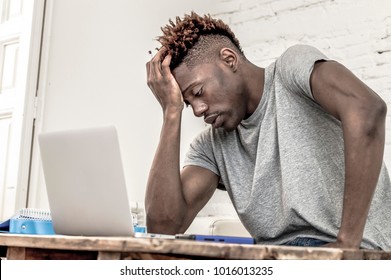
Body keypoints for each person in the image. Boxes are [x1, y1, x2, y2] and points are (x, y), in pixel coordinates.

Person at [145, 12, 391, 250]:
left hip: (356, 256)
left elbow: (367, 108)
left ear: (229, 59)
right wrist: (171, 112)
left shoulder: (291, 72)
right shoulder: (211, 145)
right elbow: (162, 228)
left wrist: (347, 243)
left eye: (198, 92)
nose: (197, 110)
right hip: (277, 262)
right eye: (187, 103)